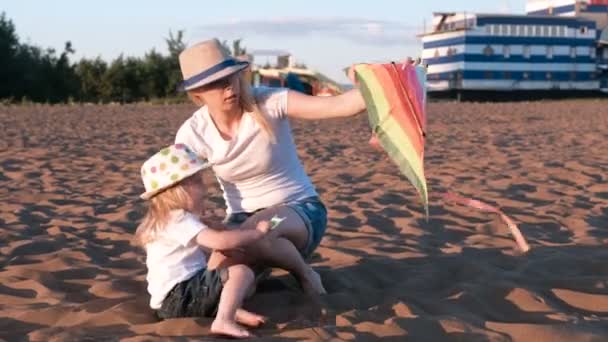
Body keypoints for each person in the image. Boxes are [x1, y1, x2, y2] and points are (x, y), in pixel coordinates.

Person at [174, 39, 367, 295]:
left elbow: (339, 106)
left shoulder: (268, 101)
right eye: (216, 83)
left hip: (300, 210)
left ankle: (306, 274)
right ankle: (257, 272)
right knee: (219, 283)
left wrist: (381, 83)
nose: (229, 87)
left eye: (231, 77)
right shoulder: (192, 134)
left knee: (261, 230)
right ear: (197, 93)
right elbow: (176, 190)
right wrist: (201, 216)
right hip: (241, 220)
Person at [135, 143, 272, 339]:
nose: (204, 186)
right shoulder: (179, 218)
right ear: (179, 189)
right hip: (180, 296)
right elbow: (220, 241)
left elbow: (198, 249)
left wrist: (207, 224)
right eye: (198, 181)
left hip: (166, 304)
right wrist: (256, 233)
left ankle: (228, 310)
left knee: (225, 279)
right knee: (241, 273)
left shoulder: (163, 220)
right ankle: (224, 319)